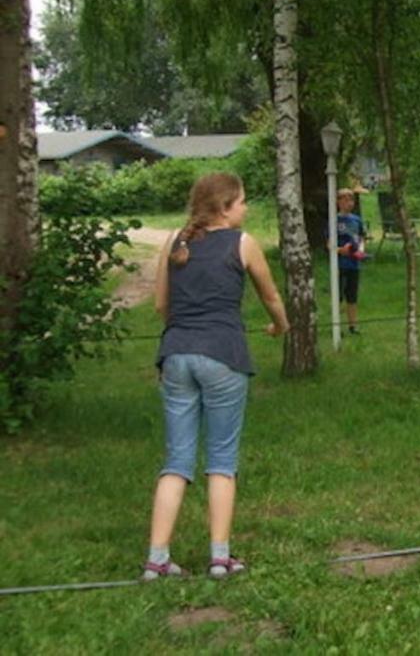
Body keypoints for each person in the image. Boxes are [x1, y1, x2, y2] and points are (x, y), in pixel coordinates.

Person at [143, 172, 289, 581]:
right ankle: (220, 558)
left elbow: (160, 306)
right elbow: (271, 297)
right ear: (224, 207)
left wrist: (186, 332)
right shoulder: (243, 244)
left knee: (176, 461)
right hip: (223, 357)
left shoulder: (175, 242)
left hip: (175, 356)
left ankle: (157, 560)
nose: (246, 207)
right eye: (241, 201)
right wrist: (282, 327)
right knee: (221, 461)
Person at [333, 188, 367, 335]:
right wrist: (341, 250)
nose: (348, 203)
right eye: (345, 199)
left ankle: (353, 325)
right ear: (338, 202)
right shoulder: (334, 220)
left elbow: (361, 237)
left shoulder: (356, 220)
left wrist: (360, 250)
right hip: (339, 264)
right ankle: (337, 326)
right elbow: (329, 244)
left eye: (351, 200)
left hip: (354, 264)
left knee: (352, 295)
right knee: (338, 295)